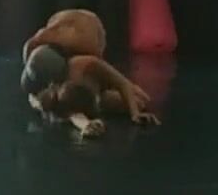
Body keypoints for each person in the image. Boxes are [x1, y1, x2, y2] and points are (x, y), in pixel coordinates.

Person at [21, 43, 160, 138]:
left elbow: (121, 82)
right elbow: (73, 115)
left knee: (140, 100)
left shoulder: (85, 65)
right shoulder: (51, 97)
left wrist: (135, 114)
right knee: (133, 102)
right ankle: (99, 103)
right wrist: (86, 125)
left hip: (100, 88)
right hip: (91, 100)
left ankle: (102, 100)